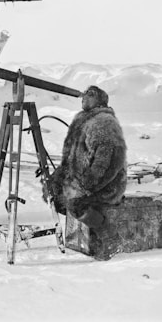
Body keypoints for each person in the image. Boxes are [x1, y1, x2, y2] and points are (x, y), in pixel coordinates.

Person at [45, 85, 127, 229]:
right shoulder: (82, 119)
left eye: (91, 94)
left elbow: (108, 164)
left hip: (105, 185)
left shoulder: (104, 122)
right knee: (53, 195)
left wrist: (84, 187)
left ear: (100, 101)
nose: (84, 96)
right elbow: (69, 159)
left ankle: (106, 229)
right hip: (81, 180)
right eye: (85, 93)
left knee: (75, 204)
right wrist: (57, 178)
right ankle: (87, 224)